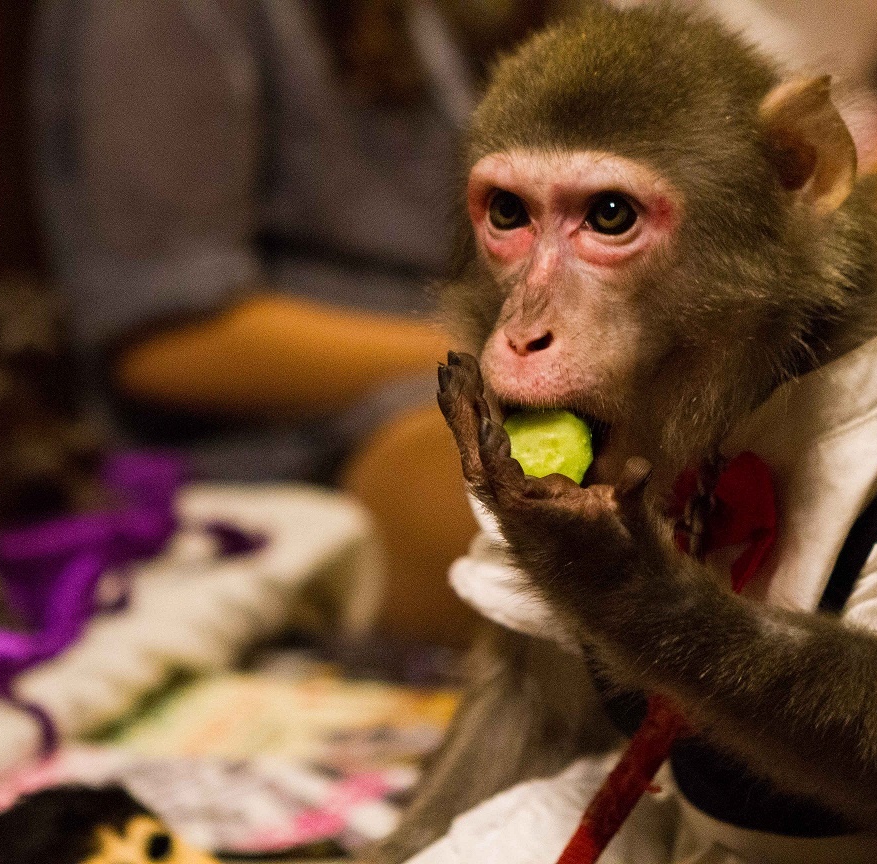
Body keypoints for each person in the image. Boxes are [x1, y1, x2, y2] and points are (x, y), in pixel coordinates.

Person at [31, 0, 556, 647]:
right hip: (277, 452)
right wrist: (503, 354)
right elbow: (168, 341)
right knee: (544, 498)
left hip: (442, 378)